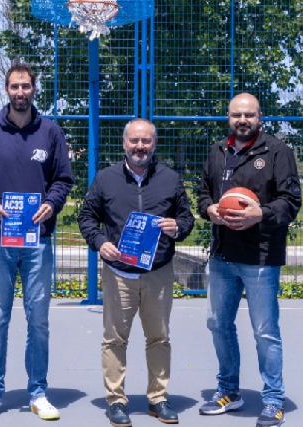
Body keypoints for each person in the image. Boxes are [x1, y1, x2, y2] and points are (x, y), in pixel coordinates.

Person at [0, 62, 73, 422]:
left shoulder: (51, 132)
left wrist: (51, 203)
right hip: (0, 239)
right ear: (6, 89)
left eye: (26, 86)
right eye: (14, 86)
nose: (20, 92)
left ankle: (37, 392)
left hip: (38, 241)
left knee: (38, 319)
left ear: (33, 89)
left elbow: (62, 180)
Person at [77, 118, 195, 427]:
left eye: (146, 141)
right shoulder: (105, 179)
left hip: (158, 271)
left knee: (159, 337)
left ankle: (158, 398)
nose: (140, 147)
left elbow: (187, 217)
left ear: (154, 144)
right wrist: (100, 242)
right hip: (119, 273)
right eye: (134, 141)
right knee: (114, 339)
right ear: (124, 143)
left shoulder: (170, 179)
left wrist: (178, 227)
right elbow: (87, 217)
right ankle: (116, 401)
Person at [197, 93, 302, 427]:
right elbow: (202, 194)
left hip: (260, 257)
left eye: (249, 115)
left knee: (264, 331)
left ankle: (273, 399)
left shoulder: (277, 151)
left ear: (260, 117)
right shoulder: (217, 152)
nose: (242, 120)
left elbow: (291, 200)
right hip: (223, 256)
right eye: (236, 115)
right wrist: (209, 209)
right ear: (228, 117)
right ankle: (230, 390)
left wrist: (263, 213)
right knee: (218, 324)